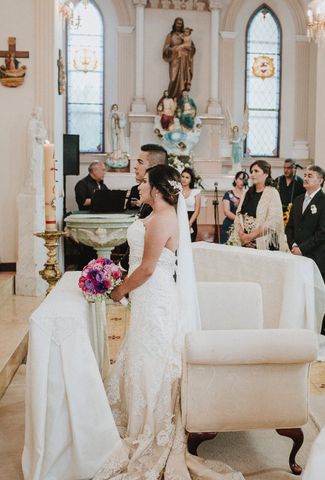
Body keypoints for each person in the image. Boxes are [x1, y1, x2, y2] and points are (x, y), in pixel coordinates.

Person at [98, 164, 238, 479]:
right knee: (142, 353)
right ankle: (136, 415)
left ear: (159, 188)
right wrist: (115, 275)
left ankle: (152, 425)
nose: (140, 185)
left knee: (153, 356)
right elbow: (138, 261)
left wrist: (120, 290)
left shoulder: (163, 219)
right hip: (146, 295)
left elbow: (148, 268)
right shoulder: (151, 216)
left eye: (145, 181)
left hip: (154, 295)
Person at [285, 165, 325, 280]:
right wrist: (293, 245)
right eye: (304, 175)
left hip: (316, 259)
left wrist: (302, 249)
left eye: (310, 176)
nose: (305, 178)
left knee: (314, 297)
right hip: (296, 257)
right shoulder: (298, 200)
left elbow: (324, 232)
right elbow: (289, 227)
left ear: (320, 180)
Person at [232, 160, 288, 251]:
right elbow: (238, 215)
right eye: (251, 172)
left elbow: (273, 222)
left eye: (256, 171)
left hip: (265, 243)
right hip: (244, 243)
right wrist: (242, 236)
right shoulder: (247, 192)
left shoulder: (272, 193)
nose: (252, 174)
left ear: (266, 174)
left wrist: (250, 237)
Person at [127, 144, 168, 218]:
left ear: (155, 167)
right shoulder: (148, 194)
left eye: (140, 162)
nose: (135, 166)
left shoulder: (161, 200)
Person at [162, 17, 196, 100]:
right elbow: (166, 49)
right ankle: (170, 99)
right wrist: (174, 49)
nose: (179, 25)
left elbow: (192, 48)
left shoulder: (185, 36)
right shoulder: (170, 35)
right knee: (173, 79)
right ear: (174, 24)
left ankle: (180, 100)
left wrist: (188, 48)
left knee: (183, 81)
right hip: (175, 61)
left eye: (180, 24)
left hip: (184, 61)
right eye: (177, 23)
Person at [221, 171, 247, 244]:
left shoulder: (247, 194)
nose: (243, 181)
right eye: (240, 179)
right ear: (235, 180)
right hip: (229, 225)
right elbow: (226, 211)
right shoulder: (228, 194)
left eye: (245, 180)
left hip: (243, 227)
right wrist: (238, 220)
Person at [180, 167, 201, 242]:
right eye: (182, 176)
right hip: (178, 217)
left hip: (191, 219)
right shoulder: (176, 191)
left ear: (191, 180)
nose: (184, 179)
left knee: (190, 243)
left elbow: (197, 210)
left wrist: (189, 223)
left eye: (187, 177)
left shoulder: (196, 192)